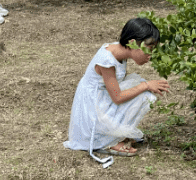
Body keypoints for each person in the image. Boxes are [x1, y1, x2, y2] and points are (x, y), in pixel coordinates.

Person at [64, 17, 169, 165]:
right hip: (92, 106)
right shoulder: (107, 61)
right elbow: (118, 97)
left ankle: (113, 134)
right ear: (132, 43)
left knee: (139, 87)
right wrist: (146, 85)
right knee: (144, 93)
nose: (150, 56)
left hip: (103, 97)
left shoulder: (121, 52)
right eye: (149, 49)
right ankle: (109, 141)